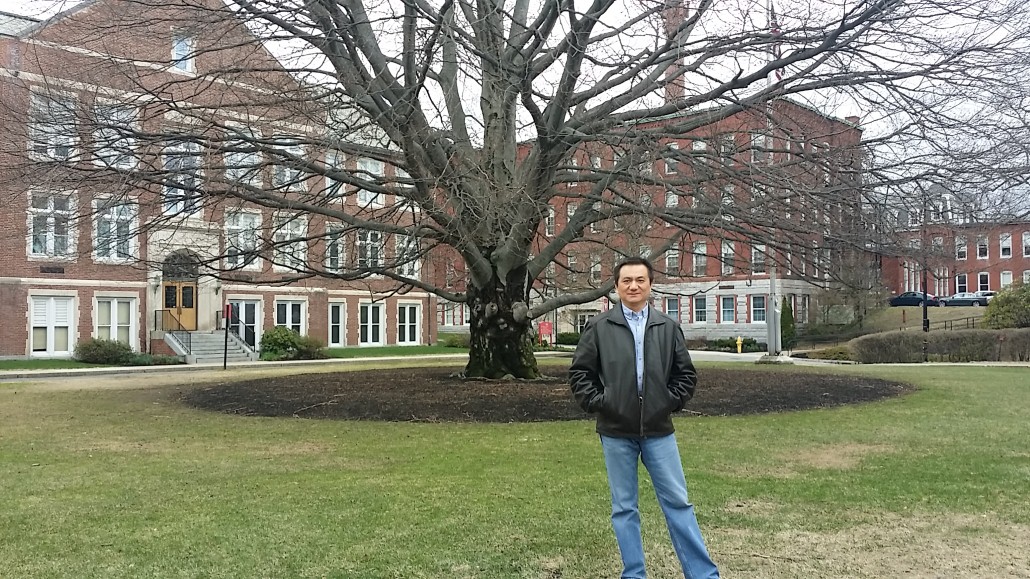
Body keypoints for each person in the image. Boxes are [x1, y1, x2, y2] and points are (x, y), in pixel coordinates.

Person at [569, 256, 719, 579]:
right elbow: (580, 373)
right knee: (624, 509)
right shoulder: (599, 327)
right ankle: (634, 574)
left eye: (640, 280)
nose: (633, 286)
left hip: (659, 431)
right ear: (616, 286)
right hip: (615, 431)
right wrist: (602, 402)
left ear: (650, 285)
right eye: (627, 280)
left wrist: (667, 402)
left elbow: (685, 375)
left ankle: (703, 574)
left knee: (678, 504)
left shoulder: (667, 327)